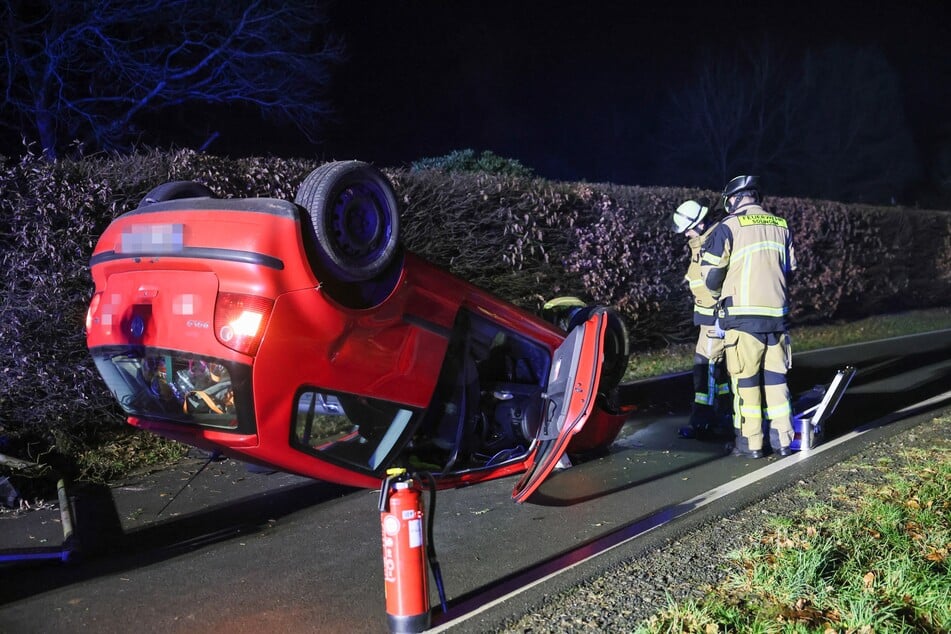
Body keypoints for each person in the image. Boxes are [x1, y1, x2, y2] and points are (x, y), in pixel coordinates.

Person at [700, 175, 797, 459]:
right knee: (777, 382)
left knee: (746, 383)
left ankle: (750, 443)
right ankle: (783, 440)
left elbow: (711, 276)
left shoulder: (729, 226)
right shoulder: (782, 226)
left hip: (743, 321)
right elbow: (790, 269)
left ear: (734, 199)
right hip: (777, 319)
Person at [670, 199, 731, 439]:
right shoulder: (700, 241)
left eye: (688, 228)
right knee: (720, 370)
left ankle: (701, 421)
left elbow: (718, 276)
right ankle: (724, 414)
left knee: (704, 365)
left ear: (700, 223)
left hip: (716, 315)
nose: (685, 234)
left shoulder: (714, 238)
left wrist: (721, 315)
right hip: (708, 314)